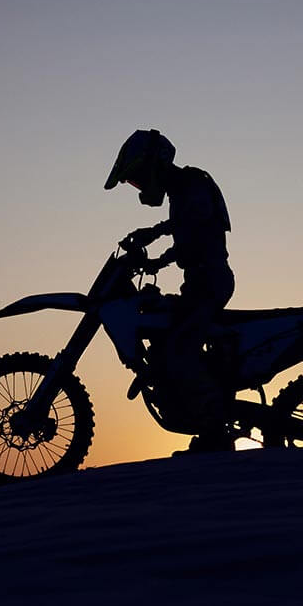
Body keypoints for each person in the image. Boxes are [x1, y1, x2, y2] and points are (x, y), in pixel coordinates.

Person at [104, 129, 235, 447]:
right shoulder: (181, 191)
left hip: (210, 282)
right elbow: (187, 238)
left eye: (138, 178)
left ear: (155, 164)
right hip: (198, 282)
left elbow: (193, 226)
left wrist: (154, 236)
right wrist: (156, 261)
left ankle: (215, 429)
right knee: (165, 341)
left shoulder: (193, 183)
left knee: (180, 348)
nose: (140, 186)